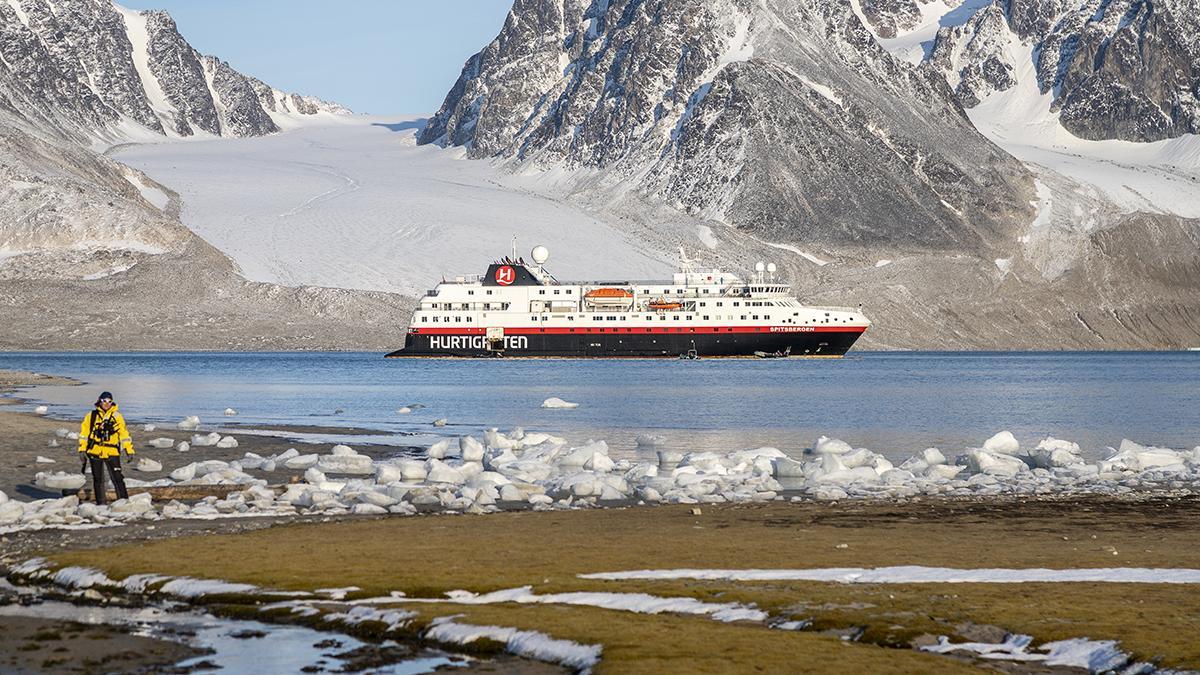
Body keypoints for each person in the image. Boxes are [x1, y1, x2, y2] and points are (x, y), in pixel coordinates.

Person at [78, 391, 134, 505]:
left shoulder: (117, 416)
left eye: (109, 401)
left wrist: (129, 450)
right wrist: (82, 449)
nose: (107, 403)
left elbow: (124, 434)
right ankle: (101, 504)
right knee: (98, 480)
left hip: (112, 451)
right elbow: (84, 434)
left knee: (118, 479)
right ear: (100, 401)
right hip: (95, 451)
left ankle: (124, 503)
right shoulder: (91, 416)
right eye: (104, 401)